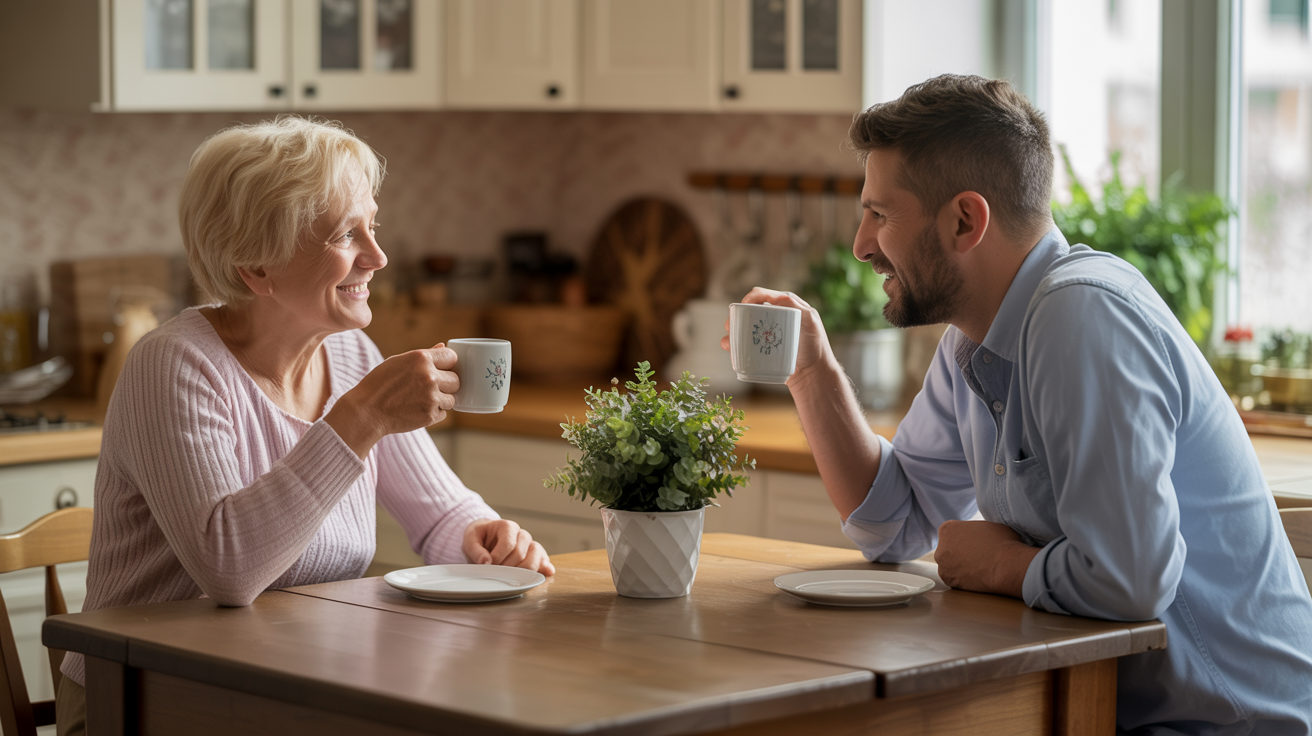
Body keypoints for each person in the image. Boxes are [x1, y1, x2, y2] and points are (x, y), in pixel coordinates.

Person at [731, 75, 1312, 733]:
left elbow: (1130, 582)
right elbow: (894, 525)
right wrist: (813, 372)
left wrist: (1003, 565)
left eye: (881, 214)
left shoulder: (1080, 315)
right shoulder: (971, 343)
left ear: (964, 220)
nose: (863, 243)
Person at [55, 116, 554, 734]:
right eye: (348, 235)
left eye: (374, 226)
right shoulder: (176, 364)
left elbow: (443, 516)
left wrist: (488, 535)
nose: (378, 256)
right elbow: (228, 569)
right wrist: (361, 417)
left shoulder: (349, 357)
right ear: (256, 267)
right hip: (145, 696)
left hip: (289, 682)